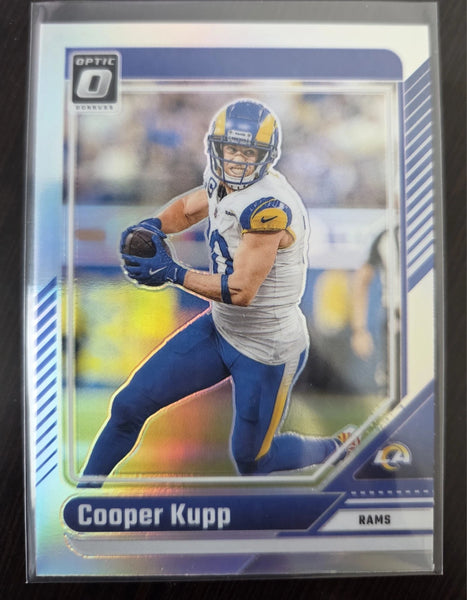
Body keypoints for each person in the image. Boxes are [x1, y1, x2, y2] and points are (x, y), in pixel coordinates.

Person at [79, 99, 358, 485]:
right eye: (231, 149)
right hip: (221, 329)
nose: (238, 160)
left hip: (266, 348)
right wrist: (152, 226)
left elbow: (242, 290)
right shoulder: (219, 179)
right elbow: (188, 208)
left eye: (248, 152)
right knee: (128, 405)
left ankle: (335, 448)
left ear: (266, 157)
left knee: (252, 461)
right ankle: (85, 493)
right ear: (217, 147)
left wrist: (173, 272)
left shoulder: (268, 207)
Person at [350, 226, 400, 400]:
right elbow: (361, 279)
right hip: (395, 316)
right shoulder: (385, 237)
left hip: (423, 315)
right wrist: (359, 329)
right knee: (392, 383)